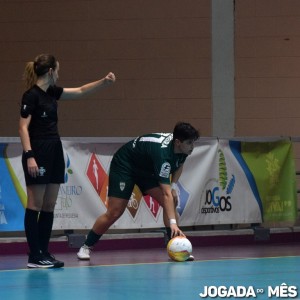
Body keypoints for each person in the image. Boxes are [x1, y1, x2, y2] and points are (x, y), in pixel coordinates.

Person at [19, 54, 116, 268]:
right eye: (58, 70)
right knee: (34, 204)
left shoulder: (52, 92)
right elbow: (23, 128)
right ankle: (34, 255)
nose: (59, 74)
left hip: (54, 149)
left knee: (49, 204)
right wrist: (30, 155)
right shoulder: (31, 96)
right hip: (39, 150)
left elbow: (80, 91)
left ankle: (44, 252)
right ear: (51, 71)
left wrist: (103, 82)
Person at [77, 122, 199, 261]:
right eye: (189, 143)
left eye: (193, 143)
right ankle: (86, 246)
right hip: (125, 165)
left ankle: (176, 248)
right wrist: (173, 223)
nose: (192, 147)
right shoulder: (162, 155)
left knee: (171, 199)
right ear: (177, 142)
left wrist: (174, 186)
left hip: (147, 169)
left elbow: (179, 165)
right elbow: (165, 194)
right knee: (115, 212)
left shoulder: (183, 149)